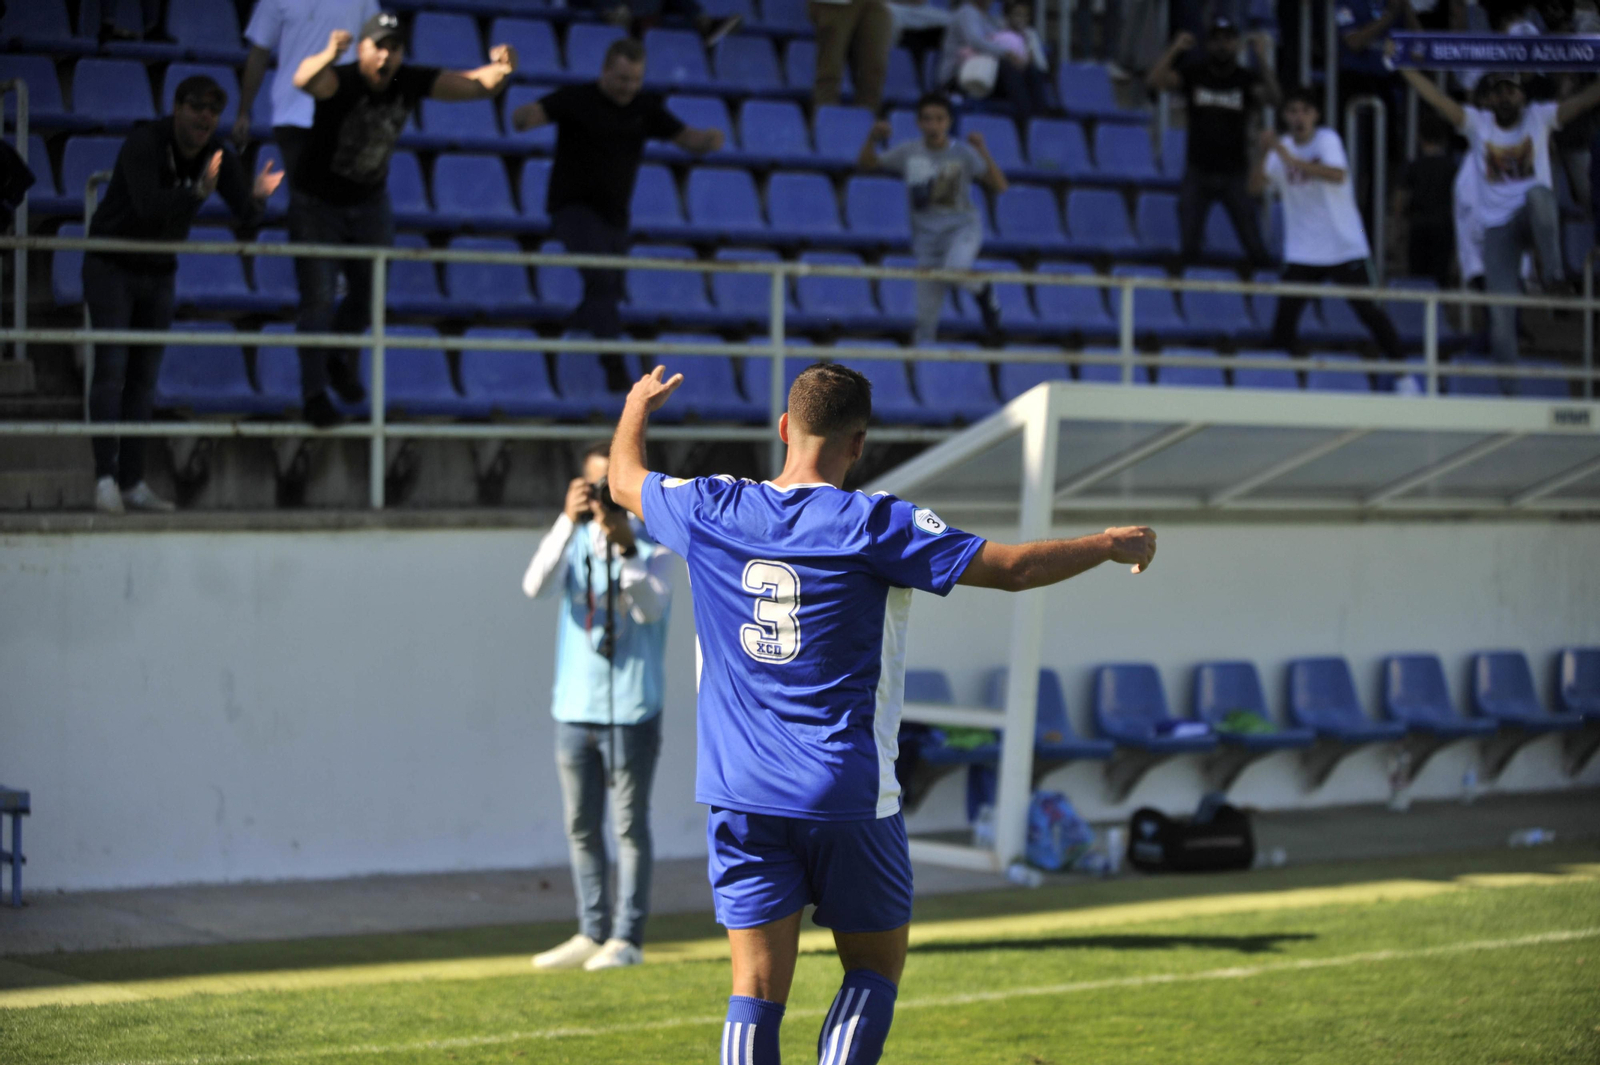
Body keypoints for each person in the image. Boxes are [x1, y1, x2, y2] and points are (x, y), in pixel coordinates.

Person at [603, 360, 1157, 1065]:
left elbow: (624, 480)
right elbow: (1013, 568)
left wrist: (636, 406)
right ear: (858, 444)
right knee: (871, 970)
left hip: (740, 791)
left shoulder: (711, 507)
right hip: (846, 792)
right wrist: (1108, 544)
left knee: (754, 986)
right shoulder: (873, 522)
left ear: (783, 428)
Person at [290, 13, 519, 427]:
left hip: (369, 200)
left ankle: (338, 358)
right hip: (317, 204)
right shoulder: (341, 79)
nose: (385, 55)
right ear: (361, 49)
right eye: (377, 45)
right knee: (318, 300)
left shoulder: (406, 80)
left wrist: (502, 69)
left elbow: (473, 85)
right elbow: (304, 80)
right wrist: (328, 52)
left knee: (370, 294)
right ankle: (314, 395)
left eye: (393, 47)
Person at [84, 75, 283, 514]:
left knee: (143, 381)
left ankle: (132, 481)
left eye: (212, 111)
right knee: (112, 371)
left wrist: (259, 198)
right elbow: (146, 205)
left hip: (158, 270)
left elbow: (245, 219)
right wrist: (194, 194)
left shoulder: (218, 156)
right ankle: (104, 479)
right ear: (176, 108)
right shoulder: (145, 142)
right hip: (111, 262)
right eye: (196, 107)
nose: (204, 118)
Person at [522, 442, 675, 972]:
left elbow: (652, 610)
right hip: (574, 707)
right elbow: (534, 585)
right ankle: (590, 931)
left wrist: (626, 546)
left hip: (631, 708)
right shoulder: (574, 540)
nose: (603, 500)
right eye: (595, 488)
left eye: (612, 488)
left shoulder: (654, 546)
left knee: (629, 827)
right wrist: (567, 523)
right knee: (581, 826)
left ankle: (626, 937)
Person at [511, 38, 724, 342]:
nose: (629, 86)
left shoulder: (644, 107)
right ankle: (614, 363)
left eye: (636, 79)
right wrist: (522, 117)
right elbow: (531, 115)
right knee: (602, 279)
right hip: (572, 209)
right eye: (623, 78)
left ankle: (570, 328)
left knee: (610, 288)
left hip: (615, 216)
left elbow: (685, 137)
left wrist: (709, 140)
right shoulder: (578, 98)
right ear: (605, 71)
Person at [1401, 62, 1600, 368]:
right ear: (1488, 100)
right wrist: (1404, 67)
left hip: (1532, 218)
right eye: (1498, 93)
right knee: (1502, 327)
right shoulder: (1478, 123)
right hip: (1498, 234)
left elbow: (1585, 100)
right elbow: (1439, 101)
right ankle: (1509, 390)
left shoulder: (1539, 116)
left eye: (1511, 91)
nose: (1505, 98)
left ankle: (1553, 276)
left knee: (1538, 195)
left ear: (1523, 96)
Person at [1250, 87, 1407, 371]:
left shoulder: (1326, 140)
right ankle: (1275, 381)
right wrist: (1263, 154)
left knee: (1368, 311)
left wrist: (1292, 160)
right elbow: (1254, 188)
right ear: (1285, 116)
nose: (1299, 118)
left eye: (1305, 111)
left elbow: (1338, 175)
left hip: (1342, 245)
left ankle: (1403, 374)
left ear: (1316, 115)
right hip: (1303, 249)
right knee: (1285, 319)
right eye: (1293, 111)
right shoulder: (1280, 149)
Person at [858, 93, 1006, 346]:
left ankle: (984, 292)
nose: (933, 125)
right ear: (918, 122)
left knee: (955, 270)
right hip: (926, 241)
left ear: (948, 122)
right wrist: (872, 138)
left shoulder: (963, 153)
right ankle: (922, 376)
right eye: (927, 119)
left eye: (939, 119)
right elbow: (867, 165)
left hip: (961, 228)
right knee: (924, 323)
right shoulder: (908, 152)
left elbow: (999, 185)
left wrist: (982, 151)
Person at [1147, 18, 1279, 268]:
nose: (1222, 45)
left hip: (1235, 173)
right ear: (1208, 44)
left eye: (1228, 39)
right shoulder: (1195, 73)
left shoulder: (1245, 79)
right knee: (1189, 250)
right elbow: (1155, 82)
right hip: (1198, 171)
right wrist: (1175, 49)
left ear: (1237, 45)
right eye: (1217, 39)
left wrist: (1261, 59)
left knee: (1256, 250)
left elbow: (1274, 98)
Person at [235, 0, 378, 178]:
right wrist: (243, 112)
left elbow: (375, 49)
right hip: (292, 118)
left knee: (334, 198)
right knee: (307, 198)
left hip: (344, 118)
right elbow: (258, 53)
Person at [936, 0, 1051, 122]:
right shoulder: (966, 13)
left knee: (1031, 70)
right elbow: (976, 42)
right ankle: (1025, 123)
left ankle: (1039, 121)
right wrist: (1008, 54)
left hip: (986, 75)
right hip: (959, 77)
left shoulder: (987, 18)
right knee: (1008, 68)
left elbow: (998, 40)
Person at [1393, 114, 1457, 287]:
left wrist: (1398, 226)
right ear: (1444, 139)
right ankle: (1439, 313)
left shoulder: (1413, 166)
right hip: (1444, 226)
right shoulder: (1452, 167)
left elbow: (1400, 198)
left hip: (1418, 225)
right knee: (1440, 277)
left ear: (1419, 137)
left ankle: (1421, 313)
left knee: (1417, 278)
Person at [809, 0, 893, 112]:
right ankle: (826, 122)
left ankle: (868, 122)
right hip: (835, 3)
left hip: (877, 3)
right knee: (830, 69)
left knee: (874, 70)